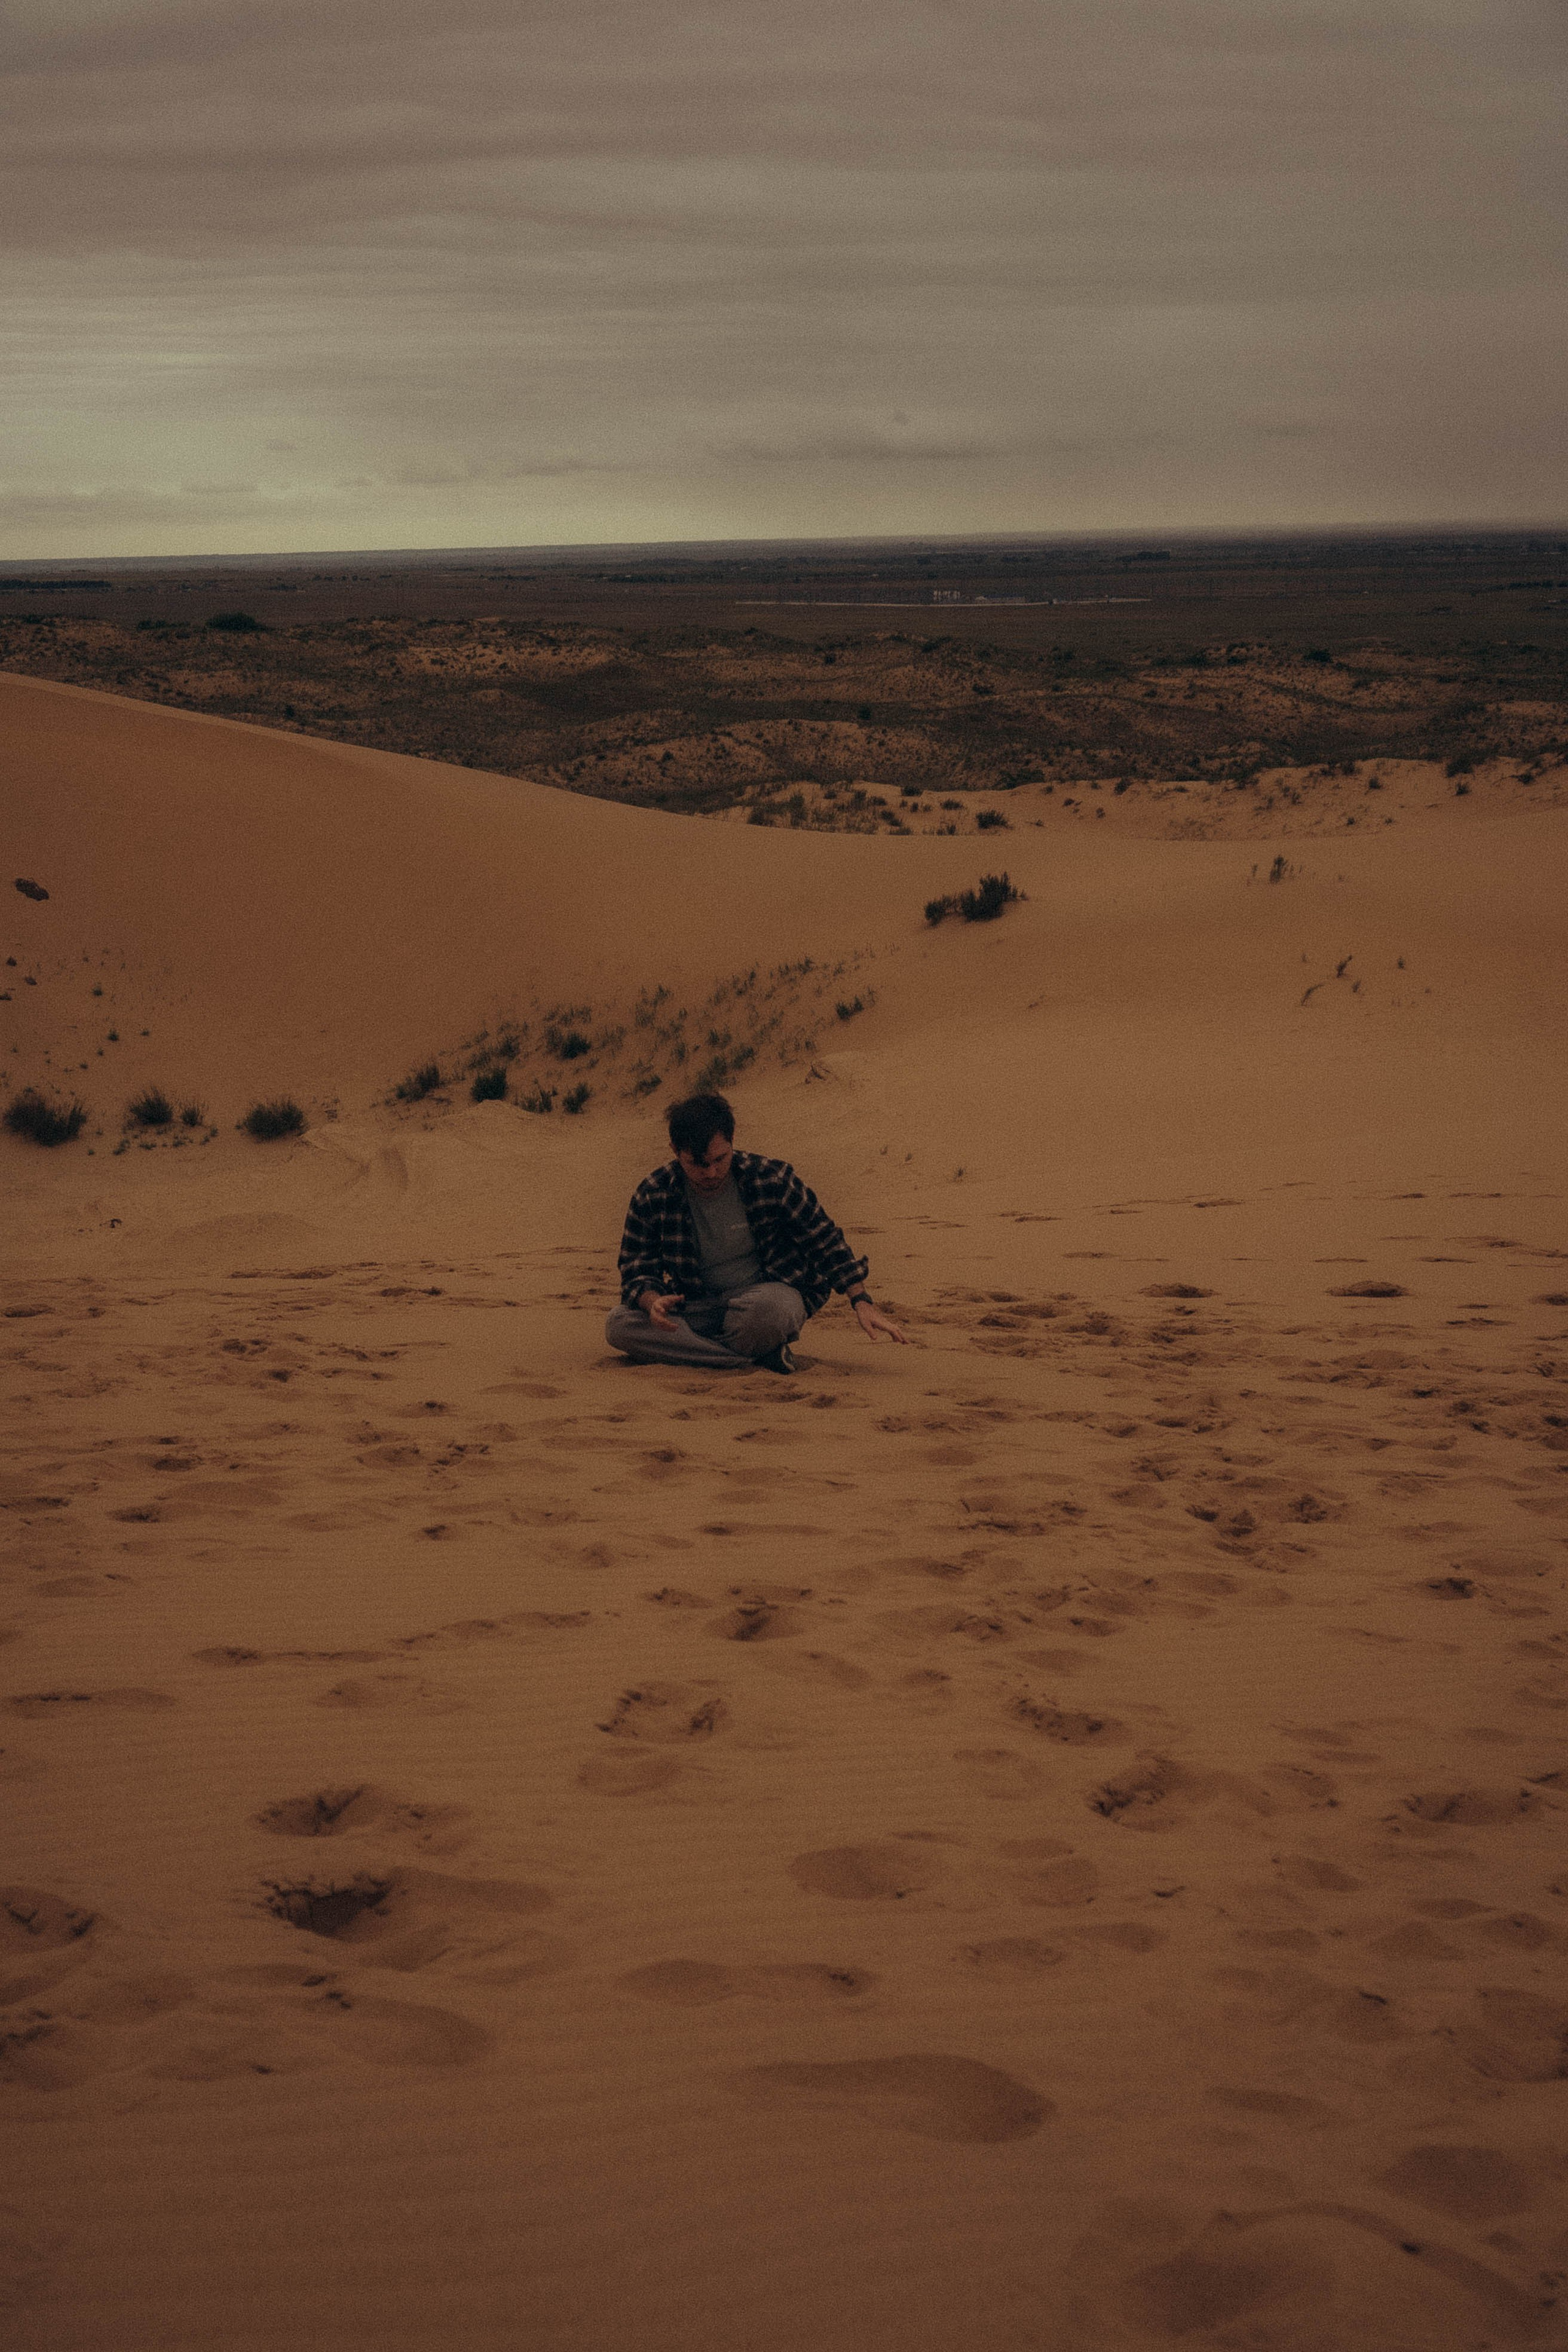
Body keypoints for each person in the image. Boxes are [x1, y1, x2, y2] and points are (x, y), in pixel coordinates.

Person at [606, 1091, 908, 1373]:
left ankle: (703, 1352)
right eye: (698, 1164)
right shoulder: (654, 1192)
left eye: (720, 1159)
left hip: (766, 1298)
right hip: (697, 1304)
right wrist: (653, 1302)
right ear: (675, 1150)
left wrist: (861, 1301)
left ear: (732, 1141)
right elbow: (636, 1269)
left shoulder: (770, 1178)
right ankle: (751, 1358)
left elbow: (824, 1238)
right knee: (620, 1325)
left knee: (770, 1312)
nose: (711, 1172)